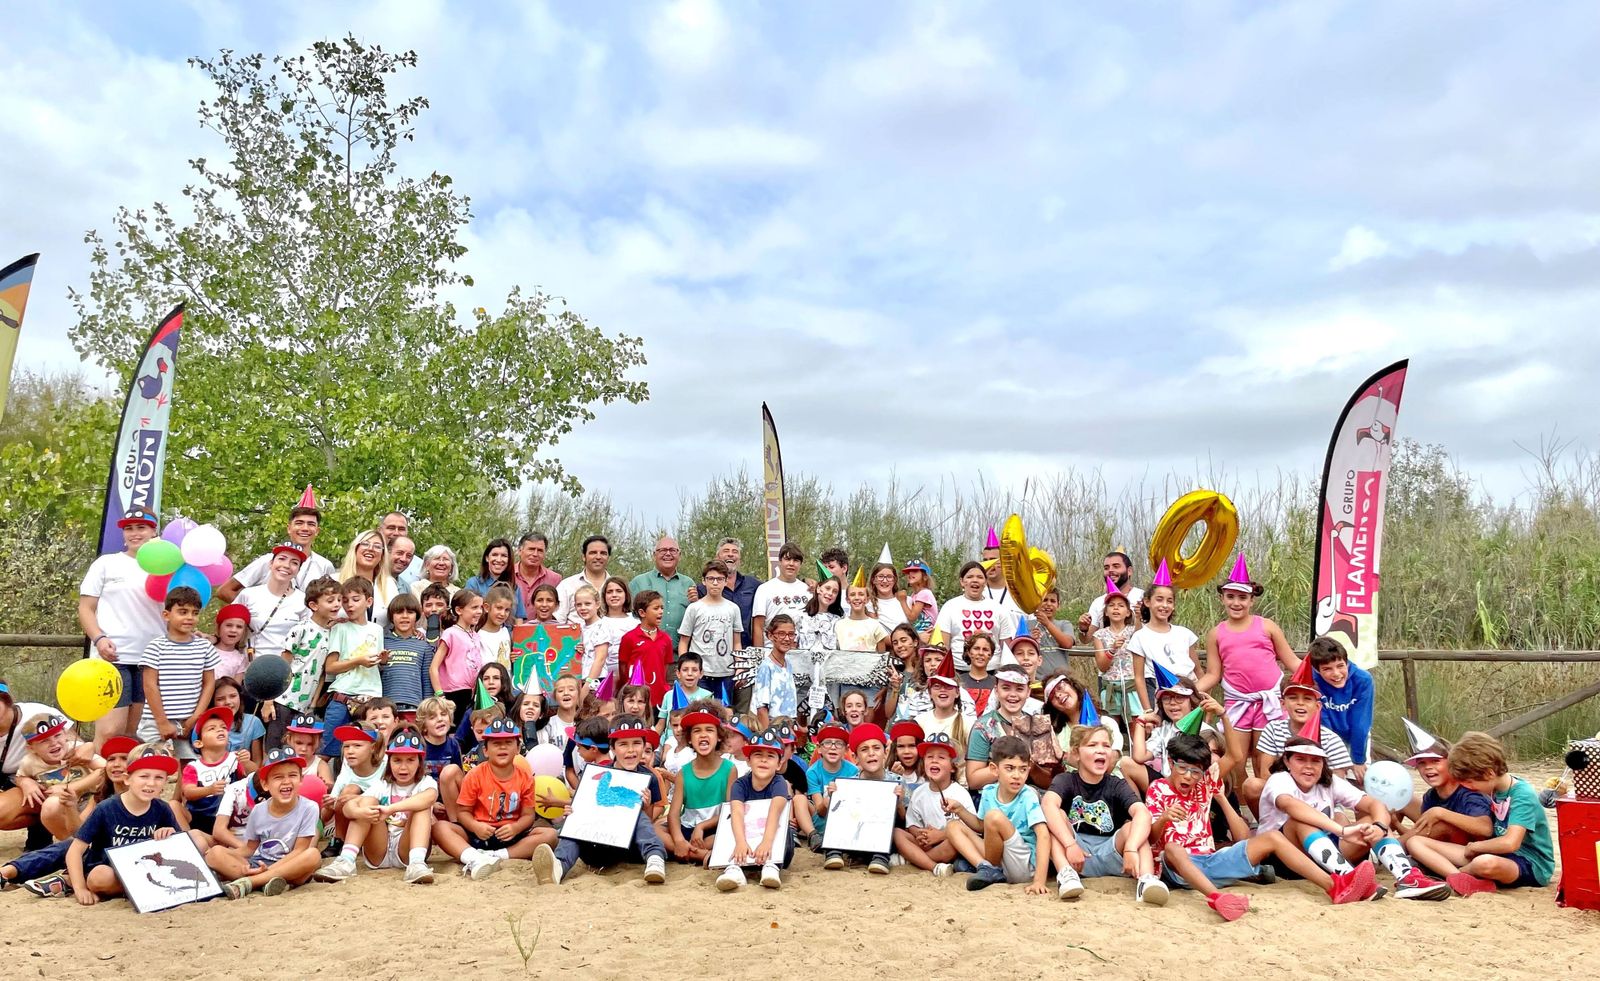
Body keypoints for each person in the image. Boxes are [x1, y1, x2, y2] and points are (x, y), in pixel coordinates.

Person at [1147, 704, 1379, 921]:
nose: (1189, 776)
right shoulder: (1158, 788)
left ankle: (1334, 886)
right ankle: (1217, 898)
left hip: (1211, 861)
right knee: (1173, 849)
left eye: (1195, 771)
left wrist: (1225, 716)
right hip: (1177, 867)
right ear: (1170, 762)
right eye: (1183, 768)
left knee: (1271, 837)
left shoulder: (1204, 784)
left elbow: (1236, 756)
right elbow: (1152, 839)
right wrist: (1166, 817)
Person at [1257, 735, 1449, 900]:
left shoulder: (1329, 781)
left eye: (1315, 761)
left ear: (1323, 763)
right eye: (1301, 759)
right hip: (1284, 858)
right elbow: (1290, 806)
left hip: (1324, 853)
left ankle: (1407, 877)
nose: (1309, 766)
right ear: (1287, 762)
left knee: (1370, 822)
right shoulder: (1280, 779)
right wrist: (1341, 830)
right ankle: (1349, 880)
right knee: (1300, 821)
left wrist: (1379, 827)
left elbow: (1374, 804)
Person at [1405, 731, 1555, 895]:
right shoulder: (1494, 788)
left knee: (1484, 863)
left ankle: (1457, 875)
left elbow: (1511, 843)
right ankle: (1462, 879)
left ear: (1489, 773)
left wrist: (1475, 847)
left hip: (1529, 863)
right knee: (1415, 842)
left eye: (1469, 782)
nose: (1467, 787)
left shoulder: (1522, 794)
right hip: (1493, 852)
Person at [1193, 554, 1300, 778]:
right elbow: (1214, 673)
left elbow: (1292, 662)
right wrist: (1189, 691)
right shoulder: (1216, 633)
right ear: (1222, 598)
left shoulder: (1267, 627)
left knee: (1266, 760)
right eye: (1230, 596)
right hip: (1236, 703)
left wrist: (1320, 677)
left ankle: (1264, 808)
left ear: (1252, 600)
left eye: (1242, 597)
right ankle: (1241, 810)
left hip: (1268, 702)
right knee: (1236, 759)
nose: (1236, 602)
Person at [531, 716, 670, 886]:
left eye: (636, 743)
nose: (631, 750)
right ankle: (558, 866)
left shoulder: (649, 778)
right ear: (612, 748)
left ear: (644, 746)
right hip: (595, 847)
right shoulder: (596, 774)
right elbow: (585, 807)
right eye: (623, 744)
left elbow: (648, 821)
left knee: (639, 817)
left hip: (627, 849)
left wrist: (646, 806)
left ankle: (655, 859)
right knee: (575, 821)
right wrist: (572, 812)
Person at [1043, 725, 1166, 903]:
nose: (1100, 750)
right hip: (1076, 854)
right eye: (1092, 745)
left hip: (1111, 852)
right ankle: (1066, 875)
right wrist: (1070, 845)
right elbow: (1048, 804)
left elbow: (1142, 813)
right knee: (1056, 816)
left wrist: (1131, 847)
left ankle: (1146, 880)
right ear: (1076, 753)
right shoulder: (1066, 780)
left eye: (1106, 746)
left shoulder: (1116, 784)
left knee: (1133, 826)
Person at [77, 507, 165, 747]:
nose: (134, 534)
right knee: (109, 731)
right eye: (129, 528)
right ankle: (93, 780)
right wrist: (99, 638)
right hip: (113, 656)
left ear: (153, 531)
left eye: (141, 527)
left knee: (129, 734)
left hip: (149, 659)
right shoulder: (106, 564)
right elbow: (86, 608)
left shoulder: (167, 566)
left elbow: (176, 610)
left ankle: (115, 784)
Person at [431, 717, 555, 879]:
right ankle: (474, 858)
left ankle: (498, 856)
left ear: (518, 748)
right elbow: (463, 812)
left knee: (550, 836)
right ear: (485, 750)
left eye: (508, 742)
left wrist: (516, 828)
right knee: (440, 828)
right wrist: (475, 826)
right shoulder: (475, 775)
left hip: (510, 835)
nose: (502, 747)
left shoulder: (525, 777)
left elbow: (528, 815)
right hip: (478, 834)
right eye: (496, 743)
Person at [314, 728, 439, 884]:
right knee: (367, 803)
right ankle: (346, 860)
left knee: (422, 806)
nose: (403, 767)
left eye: (410, 760)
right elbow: (348, 807)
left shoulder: (426, 782)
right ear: (389, 761)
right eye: (397, 760)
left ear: (420, 761)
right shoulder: (383, 784)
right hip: (379, 850)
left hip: (408, 848)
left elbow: (429, 797)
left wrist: (390, 809)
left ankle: (417, 863)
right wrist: (361, 812)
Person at [66, 751, 191, 905]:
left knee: (196, 839)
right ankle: (138, 888)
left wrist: (170, 835)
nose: (151, 783)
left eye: (159, 777)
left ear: (165, 782)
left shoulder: (162, 809)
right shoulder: (106, 808)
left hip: (145, 869)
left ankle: (142, 888)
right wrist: (80, 889)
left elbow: (180, 850)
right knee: (100, 877)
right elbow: (75, 850)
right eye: (144, 776)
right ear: (127, 779)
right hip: (110, 871)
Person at [205, 745, 322, 899]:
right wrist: (228, 855)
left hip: (289, 866)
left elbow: (299, 850)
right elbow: (249, 849)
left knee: (313, 855)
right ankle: (266, 882)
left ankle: (250, 883)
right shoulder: (259, 810)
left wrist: (270, 870)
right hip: (258, 865)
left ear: (301, 780)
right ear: (266, 784)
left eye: (292, 775)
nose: (286, 781)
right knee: (214, 853)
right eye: (278, 777)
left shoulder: (309, 808)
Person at [946, 735, 1049, 894]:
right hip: (1000, 861)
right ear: (995, 769)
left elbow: (1043, 835)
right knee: (953, 826)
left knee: (994, 816)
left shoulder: (1028, 795)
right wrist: (959, 810)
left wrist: (1039, 881)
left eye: (1022, 769)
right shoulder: (988, 791)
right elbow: (981, 826)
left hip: (1023, 863)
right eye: (1010, 768)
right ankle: (985, 868)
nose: (1017, 775)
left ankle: (989, 870)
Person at [137, 585, 220, 757]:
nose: (190, 617)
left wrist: (196, 717)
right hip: (156, 721)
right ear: (167, 615)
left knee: (188, 764)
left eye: (195, 613)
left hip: (189, 720)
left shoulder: (204, 647)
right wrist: (162, 722)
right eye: (183, 612)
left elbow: (209, 683)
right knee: (152, 763)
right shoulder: (156, 647)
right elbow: (150, 685)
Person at [217, 485, 337, 601]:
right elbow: (225, 591)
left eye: (311, 524)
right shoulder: (269, 561)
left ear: (317, 531)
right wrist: (253, 614)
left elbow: (331, 602)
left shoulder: (324, 566)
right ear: (289, 528)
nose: (305, 528)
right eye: (299, 523)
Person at [263, 576, 342, 750]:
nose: (337, 604)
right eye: (330, 600)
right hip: (283, 701)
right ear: (314, 605)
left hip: (305, 707)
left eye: (339, 600)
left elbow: (322, 673)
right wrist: (268, 702)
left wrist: (313, 705)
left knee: (297, 750)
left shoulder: (333, 633)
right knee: (275, 749)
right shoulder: (301, 629)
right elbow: (281, 666)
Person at [717, 726, 792, 891]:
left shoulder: (779, 783)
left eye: (770, 756)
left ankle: (771, 866)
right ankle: (734, 869)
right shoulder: (740, 784)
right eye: (758, 755)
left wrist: (766, 842)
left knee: (783, 831)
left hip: (771, 837)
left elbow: (775, 812)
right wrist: (741, 842)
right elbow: (736, 812)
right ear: (748, 760)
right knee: (731, 824)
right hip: (746, 838)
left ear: (779, 764)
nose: (764, 760)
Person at [820, 723, 899, 874]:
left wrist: (899, 802)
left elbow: (903, 819)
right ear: (855, 758)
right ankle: (834, 852)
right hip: (855, 837)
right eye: (864, 749)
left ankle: (880, 857)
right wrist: (832, 797)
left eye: (876, 748)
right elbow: (824, 812)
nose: (871, 753)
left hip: (881, 838)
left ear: (886, 752)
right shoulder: (846, 783)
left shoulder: (897, 782)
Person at [1397, 725, 1492, 848]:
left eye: (1435, 761)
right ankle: (1385, 850)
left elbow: (1485, 829)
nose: (1428, 767)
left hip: (1473, 851)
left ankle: (1387, 851)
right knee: (1400, 799)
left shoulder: (1469, 792)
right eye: (1421, 763)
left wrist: (1441, 813)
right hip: (1442, 847)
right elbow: (1425, 833)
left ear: (1452, 762)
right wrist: (1396, 825)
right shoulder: (1430, 796)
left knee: (1442, 825)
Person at [321, 576, 384, 761]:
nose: (350, 605)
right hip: (342, 696)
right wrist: (358, 661)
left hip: (370, 698)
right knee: (326, 751)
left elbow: (376, 662)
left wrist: (383, 660)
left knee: (369, 752)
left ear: (369, 601)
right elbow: (330, 667)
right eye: (345, 601)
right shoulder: (340, 628)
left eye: (356, 600)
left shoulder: (377, 630)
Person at [14, 714, 103, 841]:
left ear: (65, 734)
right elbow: (19, 776)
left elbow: (104, 770)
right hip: (64, 811)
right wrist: (25, 782)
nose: (54, 743)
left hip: (91, 802)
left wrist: (72, 787)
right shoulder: (29, 762)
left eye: (57, 735)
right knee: (50, 805)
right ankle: (68, 843)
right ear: (31, 747)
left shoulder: (76, 750)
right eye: (44, 740)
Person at [891, 732, 971, 874]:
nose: (934, 761)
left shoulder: (960, 793)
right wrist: (920, 834)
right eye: (929, 757)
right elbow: (912, 824)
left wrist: (940, 835)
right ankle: (934, 867)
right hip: (924, 843)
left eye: (941, 757)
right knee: (897, 833)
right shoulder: (919, 792)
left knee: (954, 844)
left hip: (946, 843)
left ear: (952, 767)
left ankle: (914, 860)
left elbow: (969, 830)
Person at [1127, 563, 1199, 716]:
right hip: (1159, 692)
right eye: (1159, 599)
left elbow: (1198, 669)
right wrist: (1148, 709)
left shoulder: (1184, 634)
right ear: (1147, 602)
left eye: (1169, 601)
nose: (1164, 605)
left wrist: (1202, 698)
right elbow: (1139, 677)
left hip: (1188, 690)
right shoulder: (1140, 637)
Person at [668, 709, 734, 866]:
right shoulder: (683, 773)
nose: (703, 735)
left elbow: (730, 811)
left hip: (713, 830)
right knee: (656, 830)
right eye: (697, 731)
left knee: (731, 833)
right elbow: (673, 814)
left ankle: (689, 852)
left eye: (709, 730)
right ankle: (702, 855)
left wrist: (702, 826)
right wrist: (678, 840)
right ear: (689, 739)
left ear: (719, 737)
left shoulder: (729, 769)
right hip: (688, 830)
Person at [237, 542, 308, 674]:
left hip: (284, 674)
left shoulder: (303, 601)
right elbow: (229, 625)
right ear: (270, 563)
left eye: (294, 563)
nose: (286, 565)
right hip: (249, 670)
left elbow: (306, 642)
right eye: (281, 559)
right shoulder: (248, 595)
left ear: (298, 570)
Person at [679, 560, 744, 705]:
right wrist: (685, 667)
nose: (715, 583)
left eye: (720, 579)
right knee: (699, 712)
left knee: (723, 714)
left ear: (726, 581)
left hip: (726, 673)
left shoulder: (733, 609)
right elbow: (684, 641)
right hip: (700, 674)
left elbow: (737, 641)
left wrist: (739, 667)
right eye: (711, 579)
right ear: (704, 581)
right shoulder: (694, 608)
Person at [1308, 635, 1374, 775]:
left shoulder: (1363, 680)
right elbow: (1323, 723)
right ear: (1317, 670)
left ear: (1347, 662)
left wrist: (1358, 760)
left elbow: (1361, 722)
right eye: (1327, 669)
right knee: (1332, 776)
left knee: (1360, 778)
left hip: (1356, 735)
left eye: (1340, 666)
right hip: (1325, 735)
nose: (1336, 674)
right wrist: (1335, 755)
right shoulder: (1312, 682)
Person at [934, 562, 1018, 671]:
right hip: (958, 671)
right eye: (969, 577)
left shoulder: (998, 608)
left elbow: (1007, 647)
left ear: (985, 582)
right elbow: (942, 644)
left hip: (992, 671)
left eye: (980, 577)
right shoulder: (950, 606)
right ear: (962, 582)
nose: (975, 580)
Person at [182, 706, 247, 832]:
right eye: (212, 729)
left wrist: (246, 761)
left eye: (223, 727)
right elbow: (188, 793)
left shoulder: (235, 758)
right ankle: (190, 841)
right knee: (174, 806)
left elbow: (251, 778)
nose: (220, 730)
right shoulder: (193, 767)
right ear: (198, 743)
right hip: (199, 817)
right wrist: (209, 789)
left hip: (227, 817)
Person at [631, 535, 699, 644]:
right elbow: (629, 617)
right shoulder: (638, 582)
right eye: (663, 550)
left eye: (672, 550)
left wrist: (696, 603)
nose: (668, 554)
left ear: (679, 555)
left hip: (679, 654)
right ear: (654, 555)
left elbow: (696, 618)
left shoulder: (689, 583)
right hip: (646, 651)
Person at [1091, 581, 1139, 732]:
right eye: (1111, 605)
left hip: (1132, 686)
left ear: (1128, 612)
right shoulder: (1099, 634)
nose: (1116, 608)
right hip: (1110, 685)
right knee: (1110, 727)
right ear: (1105, 612)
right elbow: (1102, 666)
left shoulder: (1134, 632)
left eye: (1121, 605)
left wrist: (1140, 615)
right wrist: (1112, 650)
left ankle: (1136, 752)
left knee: (1136, 725)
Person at [805, 722, 858, 850]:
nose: (833, 747)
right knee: (801, 799)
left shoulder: (853, 771)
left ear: (846, 749)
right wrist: (828, 799)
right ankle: (814, 836)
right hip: (821, 824)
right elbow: (820, 811)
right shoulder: (812, 772)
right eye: (828, 742)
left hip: (846, 823)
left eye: (839, 743)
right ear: (819, 748)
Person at [380, 594, 432, 717]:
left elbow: (427, 683)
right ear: (391, 617)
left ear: (417, 616)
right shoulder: (381, 642)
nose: (404, 616)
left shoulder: (424, 646)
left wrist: (427, 710)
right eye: (399, 612)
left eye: (410, 612)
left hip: (414, 707)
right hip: (385, 708)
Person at [1075, 550, 1145, 642]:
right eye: (1106, 568)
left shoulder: (1143, 597)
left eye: (1116, 566)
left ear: (1129, 571)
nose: (1110, 570)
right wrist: (1083, 629)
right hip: (1107, 656)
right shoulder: (1098, 602)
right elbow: (1086, 639)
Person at [617, 591, 673, 705]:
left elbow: (666, 667)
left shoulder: (666, 639)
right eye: (656, 608)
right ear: (642, 613)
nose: (661, 611)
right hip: (636, 698)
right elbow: (623, 668)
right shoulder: (629, 638)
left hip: (658, 697)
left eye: (662, 608)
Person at [337, 529, 400, 626]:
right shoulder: (335, 581)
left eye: (377, 546)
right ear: (355, 549)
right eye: (365, 544)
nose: (371, 549)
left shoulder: (389, 585)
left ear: (382, 555)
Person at [752, 543, 811, 646]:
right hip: (771, 652)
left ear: (800, 564)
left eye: (796, 560)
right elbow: (758, 627)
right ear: (780, 562)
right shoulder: (764, 589)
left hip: (801, 652)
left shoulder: (808, 590)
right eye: (787, 559)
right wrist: (760, 657)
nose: (791, 564)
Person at [707, 537, 762, 647]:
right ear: (717, 557)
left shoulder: (753, 584)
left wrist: (805, 581)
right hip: (715, 650)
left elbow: (775, 587)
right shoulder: (704, 587)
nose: (731, 554)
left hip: (746, 649)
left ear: (739, 559)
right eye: (726, 551)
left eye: (735, 552)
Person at [753, 615, 800, 730]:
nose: (787, 639)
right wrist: (768, 736)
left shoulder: (788, 664)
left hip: (788, 727)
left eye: (791, 634)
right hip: (774, 727)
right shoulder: (766, 667)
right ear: (770, 635)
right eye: (781, 634)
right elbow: (761, 708)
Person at [464, 538, 527, 620]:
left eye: (504, 556)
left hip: (507, 632)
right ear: (487, 558)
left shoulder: (514, 588)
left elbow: (519, 619)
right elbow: (467, 614)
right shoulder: (474, 584)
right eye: (495, 555)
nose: (499, 559)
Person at [210, 677, 265, 771]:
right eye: (220, 699)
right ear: (212, 702)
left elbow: (257, 766)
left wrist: (246, 761)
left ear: (240, 696)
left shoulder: (253, 722)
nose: (228, 702)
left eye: (233, 696)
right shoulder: (206, 725)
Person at [556, 535, 613, 625]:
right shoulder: (566, 586)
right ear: (584, 557)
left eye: (603, 553)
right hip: (575, 637)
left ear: (608, 557)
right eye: (593, 553)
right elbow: (557, 621)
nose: (598, 557)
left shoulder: (617, 587)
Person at [512, 533, 563, 619]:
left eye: (540, 550)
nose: (535, 554)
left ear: (545, 554)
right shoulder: (506, 575)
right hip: (509, 630)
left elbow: (559, 611)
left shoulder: (555, 579)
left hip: (542, 631)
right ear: (520, 551)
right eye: (531, 549)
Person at [477, 584, 517, 672]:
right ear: (487, 607)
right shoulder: (479, 636)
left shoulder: (506, 632)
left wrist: (513, 658)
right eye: (499, 608)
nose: (503, 613)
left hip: (507, 683)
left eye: (507, 610)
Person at [212, 604, 252, 684]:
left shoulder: (241, 660)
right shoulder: (206, 649)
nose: (233, 630)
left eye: (239, 627)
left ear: (244, 632)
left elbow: (236, 687)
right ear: (219, 628)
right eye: (229, 625)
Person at [899, 560, 939, 636]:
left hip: (926, 634)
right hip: (919, 632)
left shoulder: (924, 593)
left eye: (915, 571)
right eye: (908, 572)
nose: (910, 573)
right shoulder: (914, 595)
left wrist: (902, 601)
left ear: (925, 576)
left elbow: (911, 617)